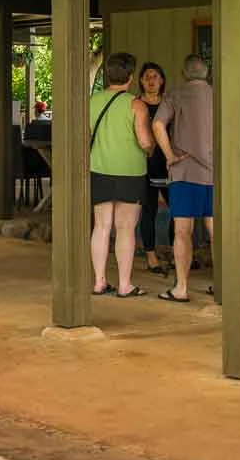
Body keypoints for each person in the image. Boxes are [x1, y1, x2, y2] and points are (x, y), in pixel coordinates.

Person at [89, 52, 155, 299]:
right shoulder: (136, 105)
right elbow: (145, 141)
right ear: (130, 77)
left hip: (99, 168)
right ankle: (125, 284)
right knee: (125, 228)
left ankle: (99, 281)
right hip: (130, 171)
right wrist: (152, 149)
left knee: (101, 226)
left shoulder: (92, 101)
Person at [152, 53, 214, 302]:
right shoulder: (218, 95)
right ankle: (221, 285)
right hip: (216, 172)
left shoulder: (175, 95)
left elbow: (158, 125)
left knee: (182, 231)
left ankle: (181, 288)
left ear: (184, 73)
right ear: (207, 73)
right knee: (215, 230)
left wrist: (169, 155)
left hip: (185, 172)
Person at [136, 62, 170, 276]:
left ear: (162, 80)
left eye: (155, 76)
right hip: (143, 164)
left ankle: (178, 253)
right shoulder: (136, 105)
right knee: (148, 211)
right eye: (147, 76)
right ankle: (150, 256)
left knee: (178, 210)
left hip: (168, 164)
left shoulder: (170, 104)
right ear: (140, 80)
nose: (151, 80)